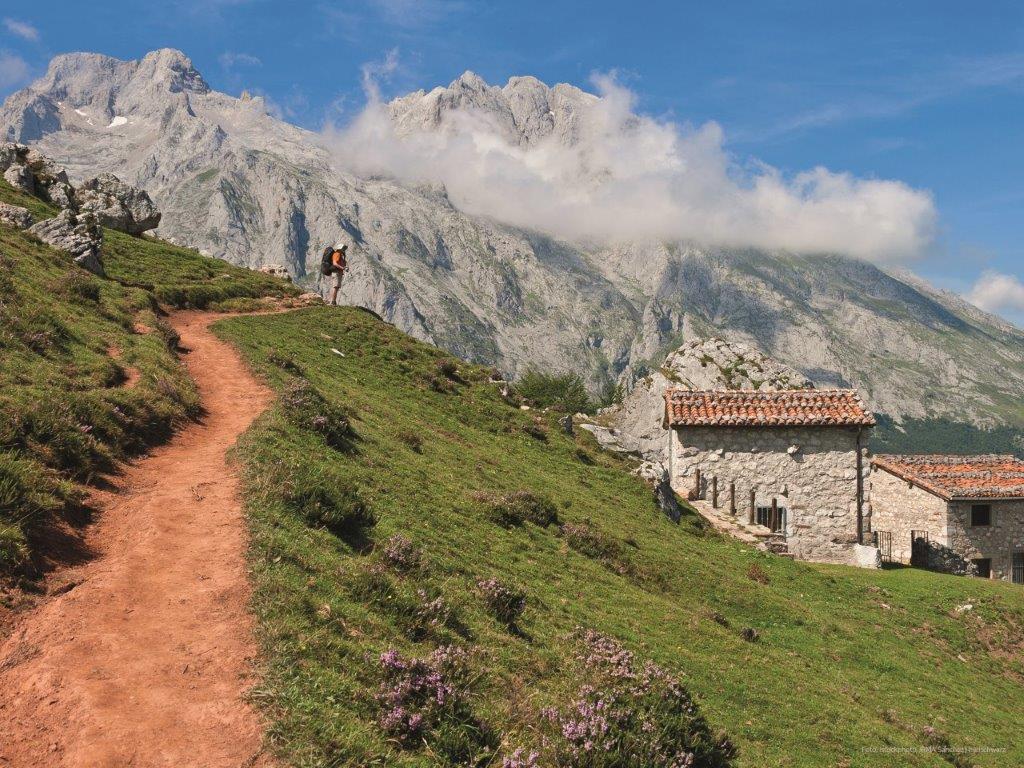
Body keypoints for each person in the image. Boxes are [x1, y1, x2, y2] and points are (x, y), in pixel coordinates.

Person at [321, 241, 349, 306]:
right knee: (335, 287)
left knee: (336, 287)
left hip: (337, 272)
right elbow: (335, 263)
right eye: (343, 248)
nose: (344, 249)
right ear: (340, 248)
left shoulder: (339, 254)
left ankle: (332, 301)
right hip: (336, 272)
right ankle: (332, 302)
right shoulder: (337, 254)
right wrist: (343, 268)